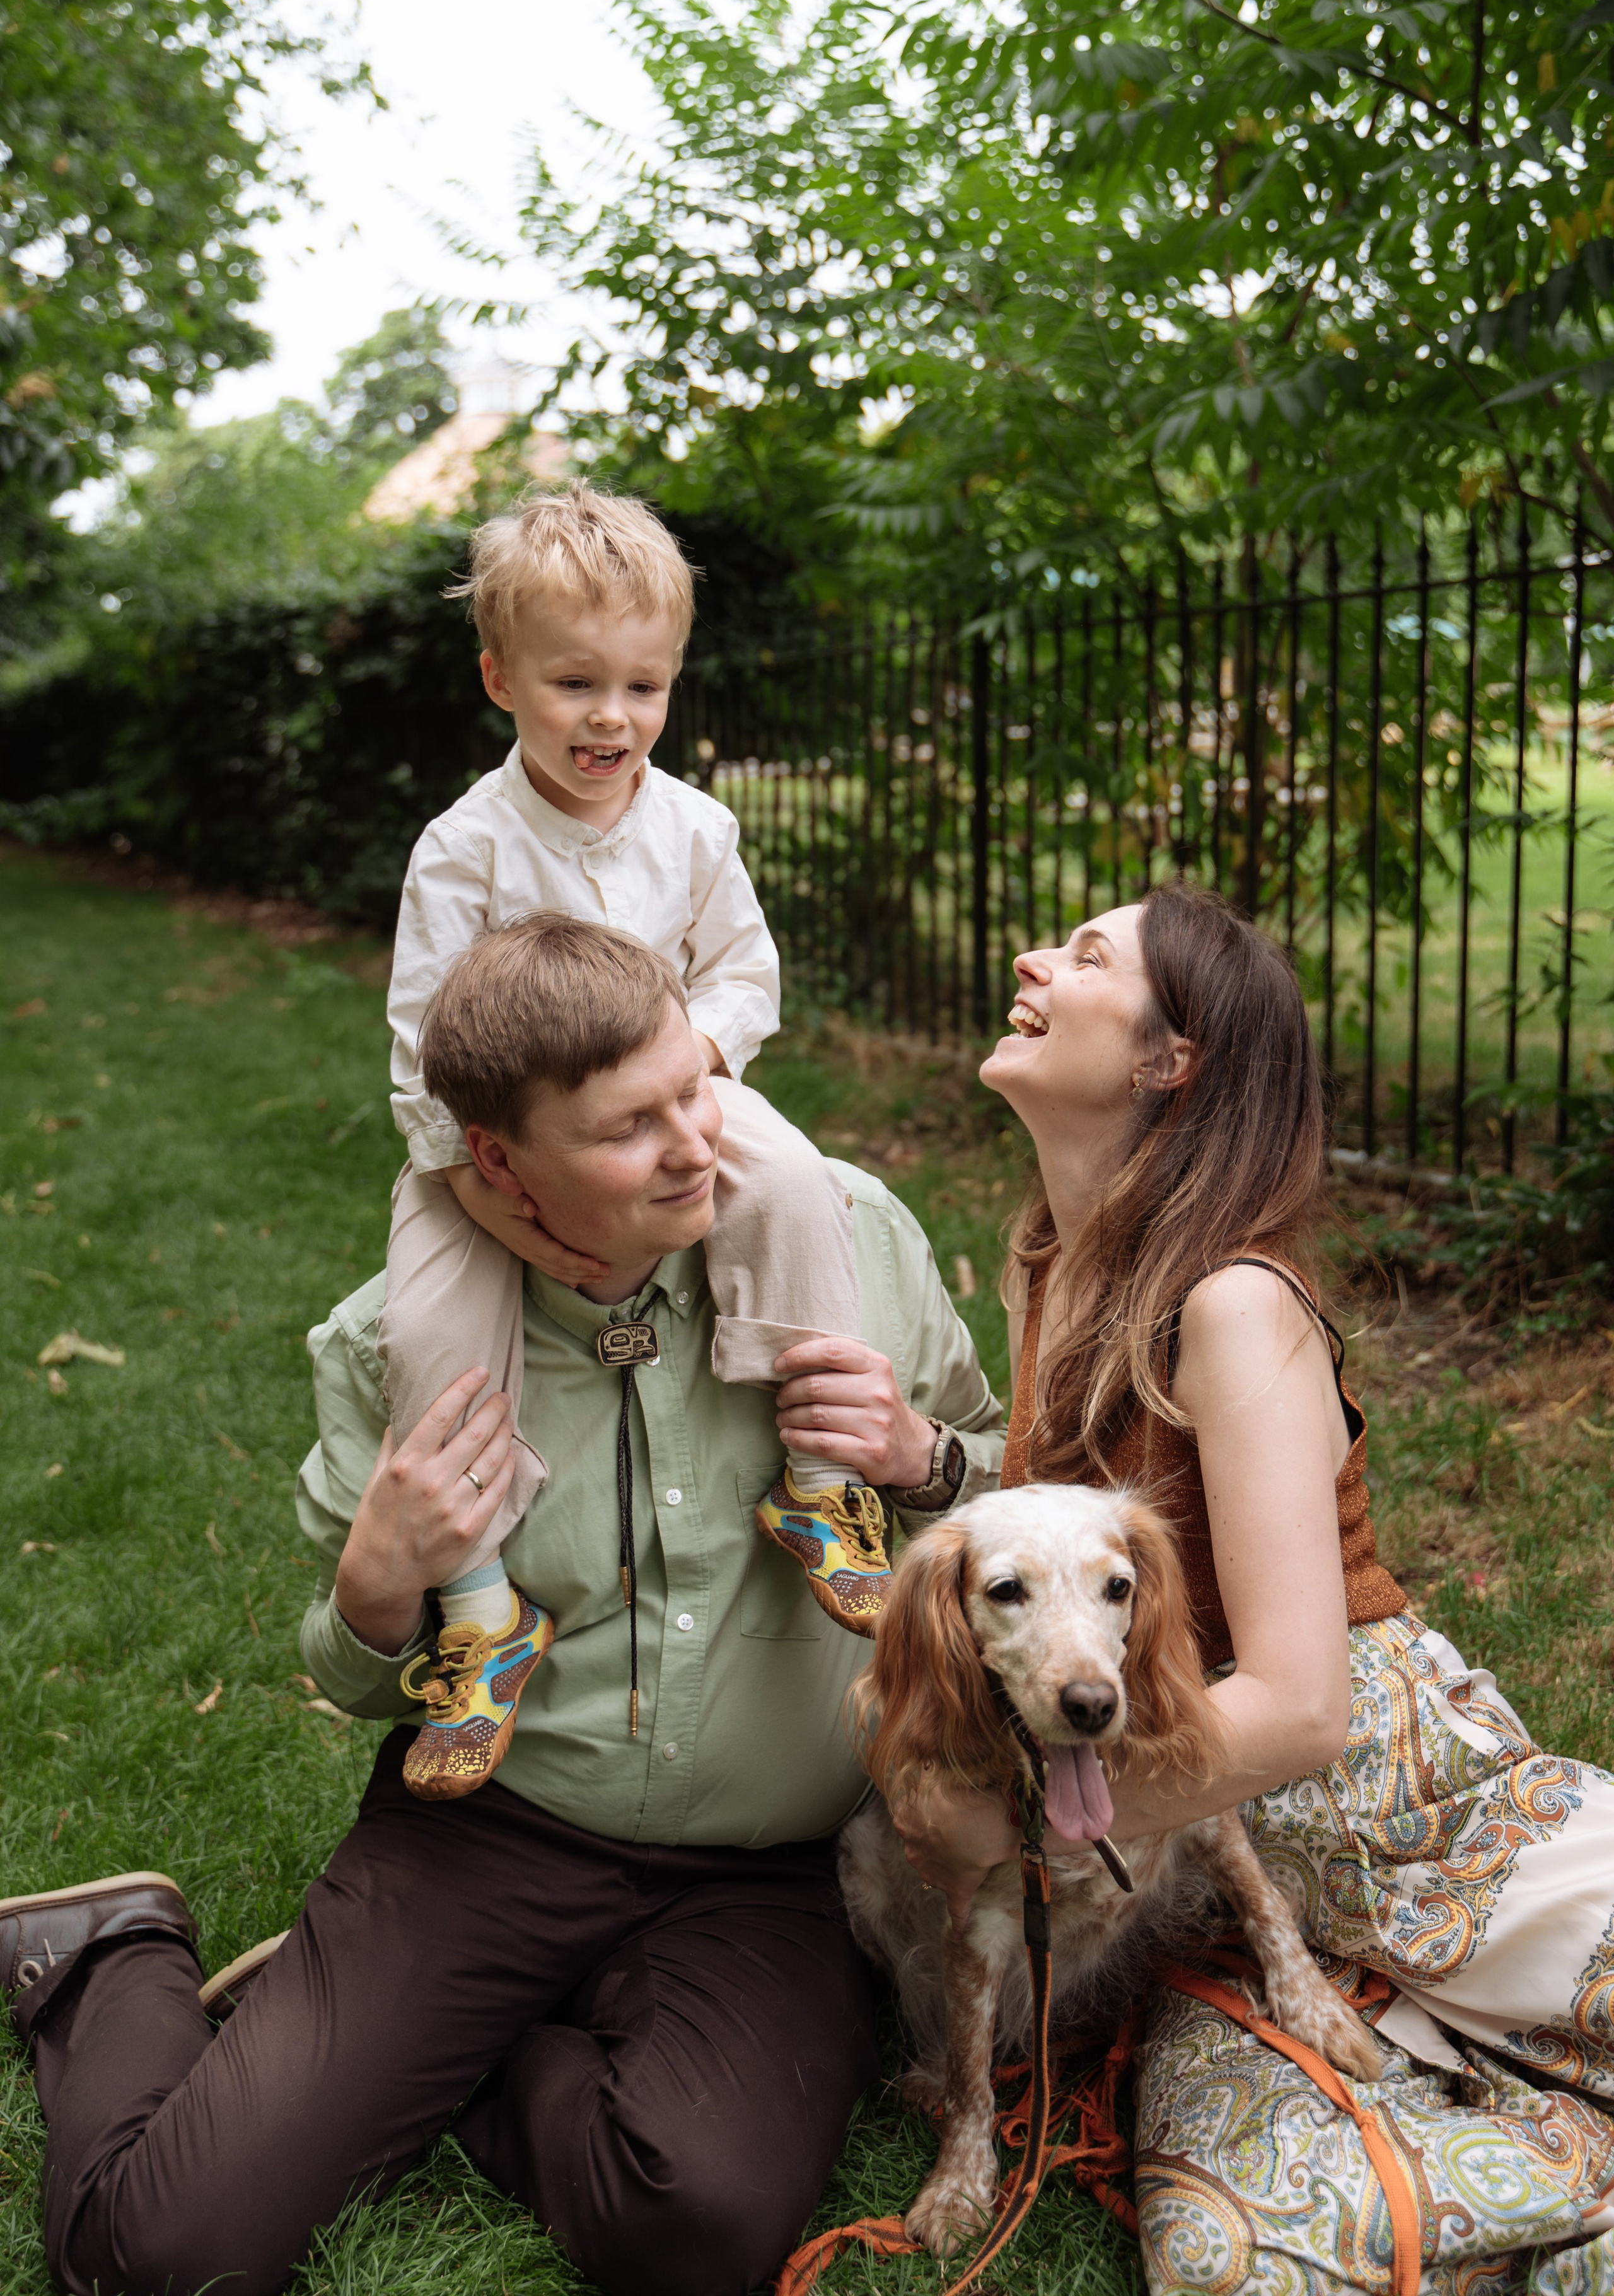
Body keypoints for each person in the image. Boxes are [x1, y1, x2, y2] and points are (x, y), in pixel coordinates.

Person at [0, 915, 1002, 2296]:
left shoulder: (849, 1241)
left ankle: (452, 2049)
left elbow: (1010, 1506)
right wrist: (375, 1583)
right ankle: (105, 1957)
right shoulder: (393, 1347)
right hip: (492, 1837)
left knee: (697, 2228)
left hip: (766, 1872)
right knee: (161, 2257)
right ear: (498, 1162)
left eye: (690, 1091)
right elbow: (361, 1682)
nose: (695, 1144)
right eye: (626, 1130)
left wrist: (923, 1460)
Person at [891, 880, 1614, 2292]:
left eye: (1086, 952)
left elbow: (1294, 1708)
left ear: (1171, 1062)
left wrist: (995, 1818)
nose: (1033, 957)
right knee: (1238, 2257)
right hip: (1223, 1879)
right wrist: (929, 1459)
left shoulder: (1231, 1301)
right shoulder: (1053, 1262)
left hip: (1402, 1810)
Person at [383, 480, 897, 1799]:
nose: (611, 718)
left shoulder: (694, 829)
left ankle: (822, 1480)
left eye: (644, 687)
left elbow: (742, 975)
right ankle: (482, 1607)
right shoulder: (466, 849)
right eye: (574, 684)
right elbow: (421, 1056)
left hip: (676, 1089)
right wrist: (499, 1208)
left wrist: (698, 1070)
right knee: (430, 1323)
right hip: (492, 1142)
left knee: (789, 1177)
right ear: (500, 678)